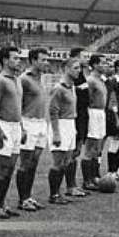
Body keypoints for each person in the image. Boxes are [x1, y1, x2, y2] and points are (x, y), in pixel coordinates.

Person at [0, 46, 25, 218]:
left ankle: (3, 203)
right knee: (1, 170)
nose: (18, 61)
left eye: (19, 58)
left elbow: (18, 108)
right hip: (4, 126)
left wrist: (22, 127)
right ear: (4, 60)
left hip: (16, 127)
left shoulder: (16, 80)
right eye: (15, 58)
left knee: (10, 169)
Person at [17, 48, 50, 211]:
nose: (46, 63)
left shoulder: (42, 78)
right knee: (25, 163)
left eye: (46, 60)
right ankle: (22, 199)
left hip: (41, 123)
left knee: (34, 163)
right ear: (33, 61)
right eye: (42, 60)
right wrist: (21, 126)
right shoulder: (24, 79)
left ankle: (28, 197)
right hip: (28, 122)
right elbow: (17, 104)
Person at [47, 58, 80, 204]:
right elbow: (53, 112)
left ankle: (60, 193)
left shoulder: (71, 87)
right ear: (66, 68)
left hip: (70, 124)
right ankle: (54, 195)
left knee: (67, 161)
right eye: (75, 68)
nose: (78, 70)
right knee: (58, 162)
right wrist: (56, 133)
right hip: (61, 124)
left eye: (79, 68)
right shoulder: (58, 88)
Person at [80, 55, 109, 190]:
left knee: (97, 148)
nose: (105, 65)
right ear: (95, 64)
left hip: (101, 114)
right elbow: (87, 99)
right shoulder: (90, 80)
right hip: (93, 113)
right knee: (90, 148)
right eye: (103, 63)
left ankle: (94, 176)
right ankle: (87, 180)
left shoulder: (101, 80)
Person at [66, 47, 89, 197]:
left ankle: (73, 185)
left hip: (83, 116)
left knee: (78, 150)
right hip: (76, 117)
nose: (86, 59)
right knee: (72, 153)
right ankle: (70, 186)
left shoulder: (82, 75)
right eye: (83, 56)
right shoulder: (73, 78)